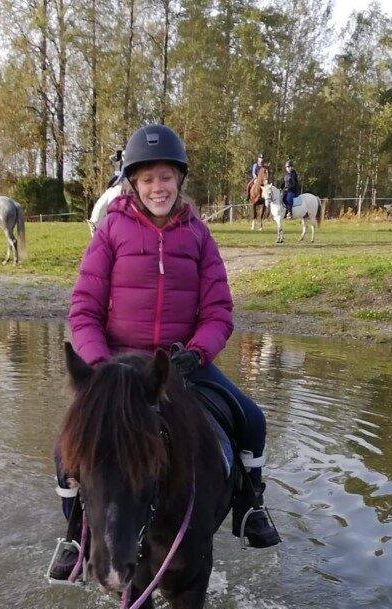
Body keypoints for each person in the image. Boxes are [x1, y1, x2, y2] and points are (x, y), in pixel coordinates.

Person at [49, 123, 282, 580]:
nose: (159, 187)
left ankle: (252, 507)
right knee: (64, 451)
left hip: (183, 365)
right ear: (134, 183)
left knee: (252, 418)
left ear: (180, 181)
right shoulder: (110, 231)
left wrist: (196, 354)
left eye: (167, 178)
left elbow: (219, 310)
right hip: (117, 367)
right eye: (149, 178)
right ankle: (77, 532)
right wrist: (100, 368)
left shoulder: (198, 235)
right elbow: (83, 309)